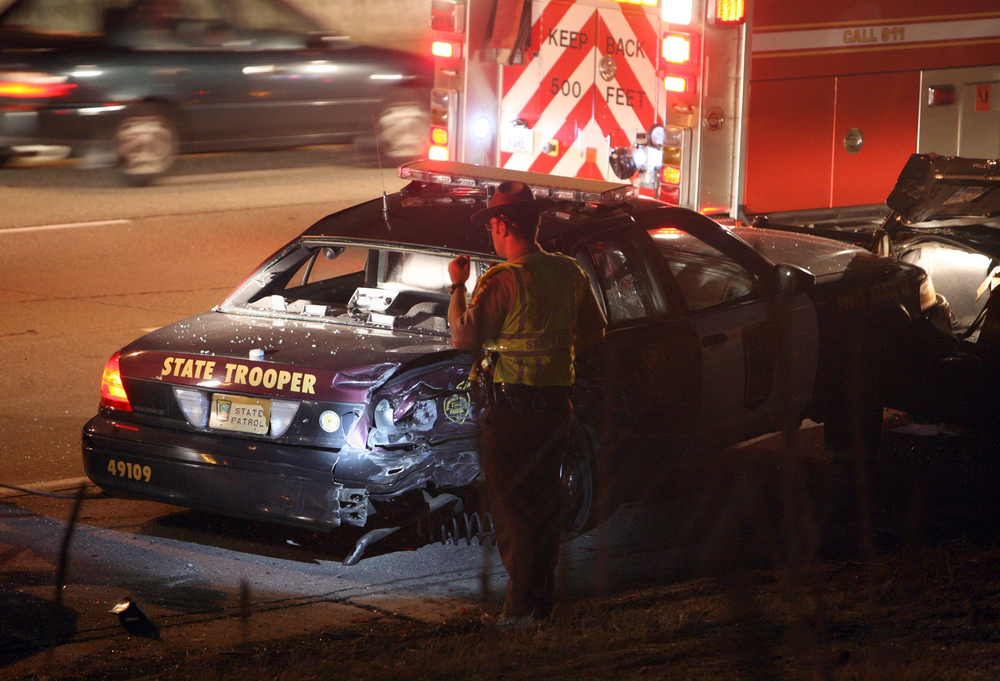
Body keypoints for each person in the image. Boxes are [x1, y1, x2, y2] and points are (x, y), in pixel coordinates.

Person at [448, 181, 607, 628]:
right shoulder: (568, 272)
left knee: (513, 510)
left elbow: (464, 336)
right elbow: (594, 332)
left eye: (492, 224)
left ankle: (521, 611)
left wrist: (457, 286)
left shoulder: (505, 279)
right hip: (556, 406)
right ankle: (539, 603)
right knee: (542, 507)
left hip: (512, 409)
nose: (491, 233)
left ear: (502, 224)